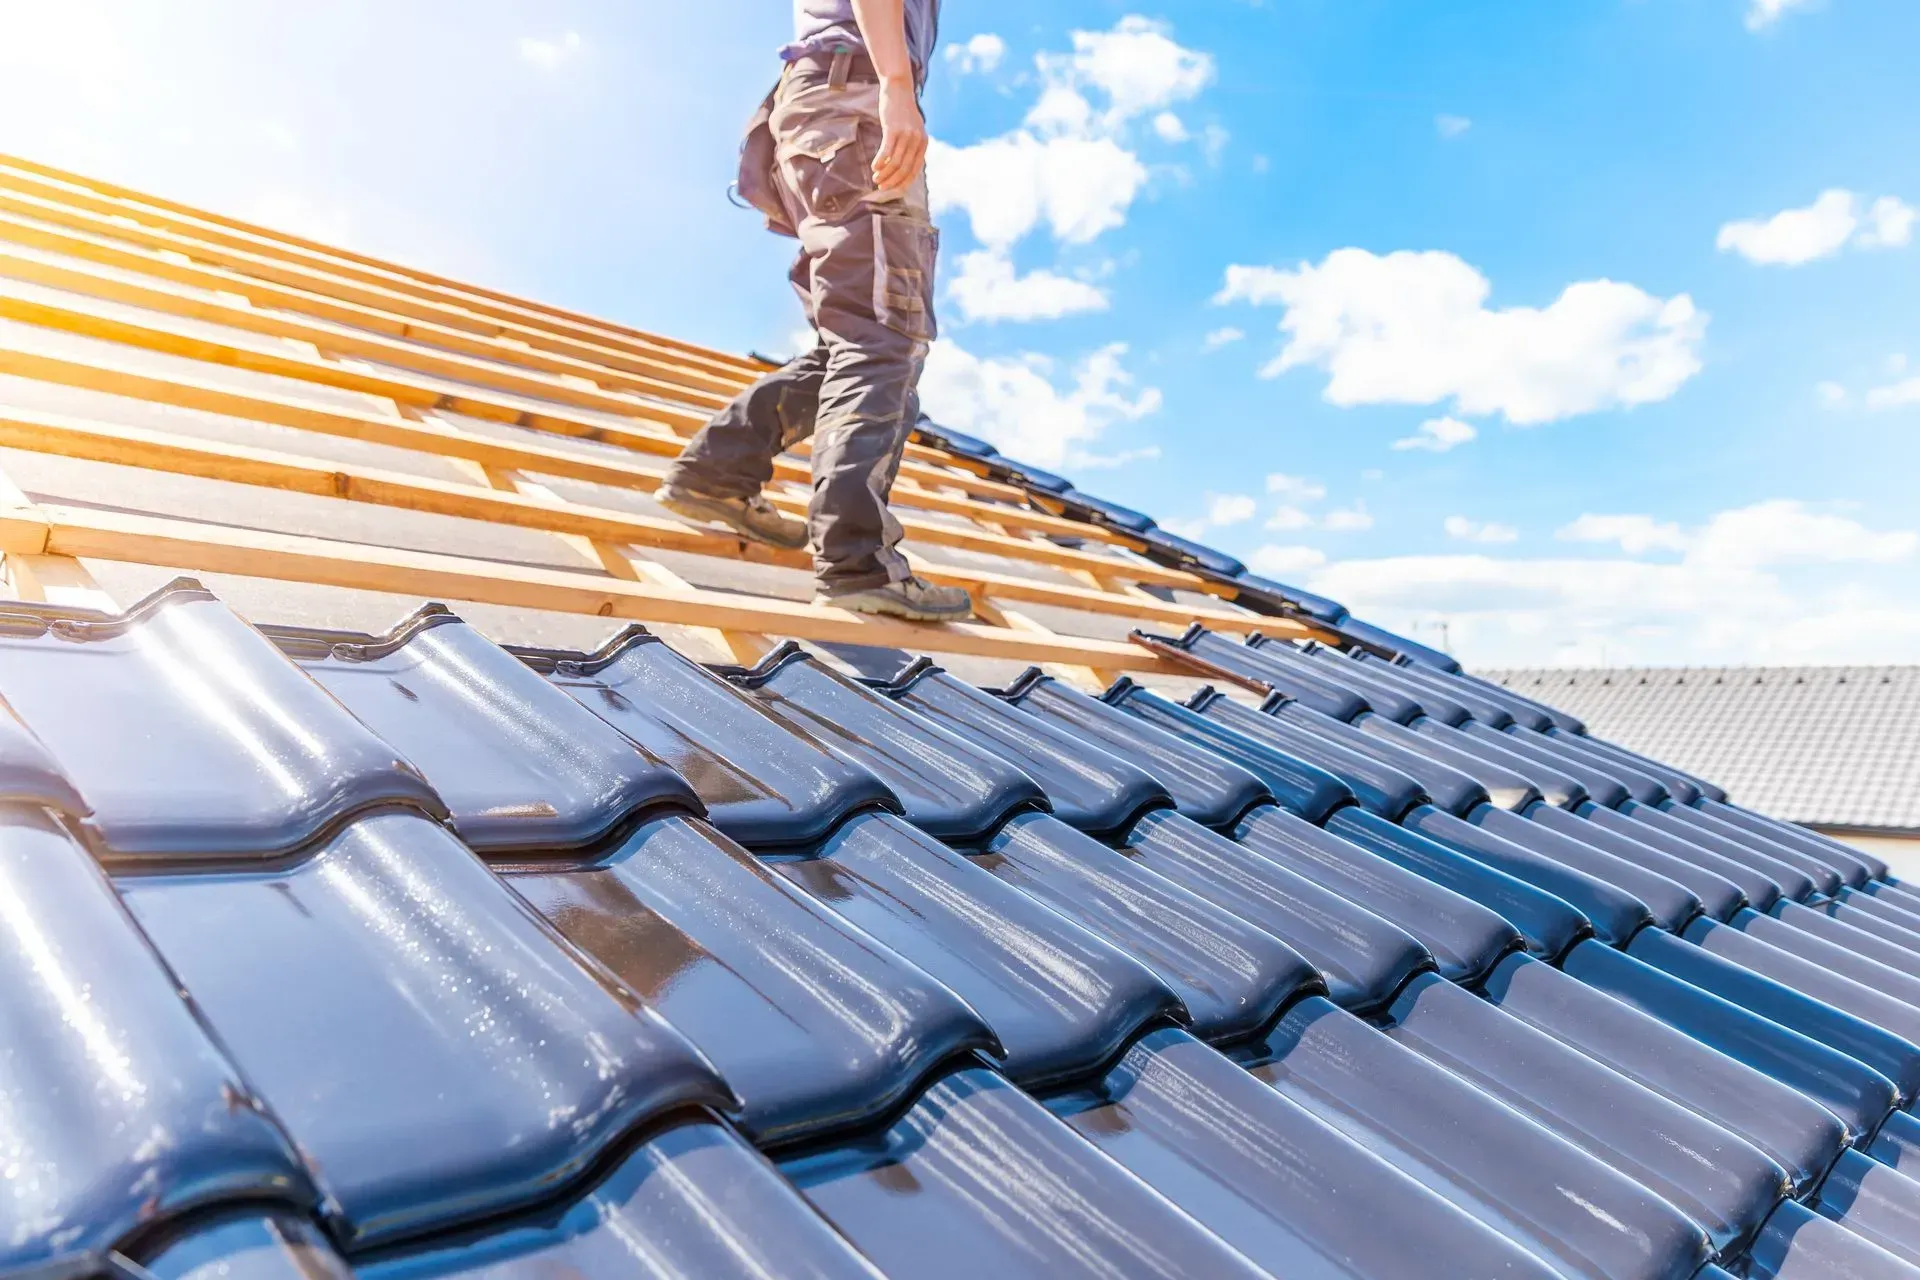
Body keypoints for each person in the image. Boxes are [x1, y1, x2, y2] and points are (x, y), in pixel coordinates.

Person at [656, 0, 972, 622]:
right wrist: (897, 87)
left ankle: (718, 474)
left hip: (817, 114)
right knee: (884, 336)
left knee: (854, 340)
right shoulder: (878, 80)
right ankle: (858, 564)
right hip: (852, 103)